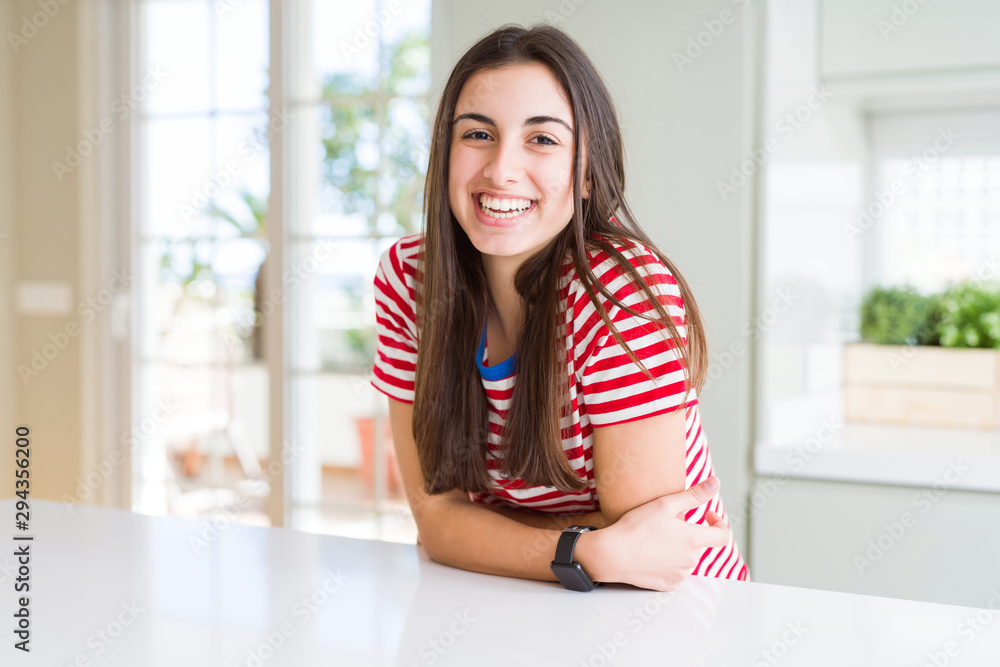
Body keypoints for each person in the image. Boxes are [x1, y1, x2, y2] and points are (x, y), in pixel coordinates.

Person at [370, 23, 750, 592]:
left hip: (679, 603)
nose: (501, 169)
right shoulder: (411, 279)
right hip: (526, 598)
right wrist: (585, 546)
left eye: (542, 139)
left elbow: (641, 548)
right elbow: (436, 522)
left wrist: (485, 530)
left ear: (588, 176)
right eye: (478, 134)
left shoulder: (621, 291)